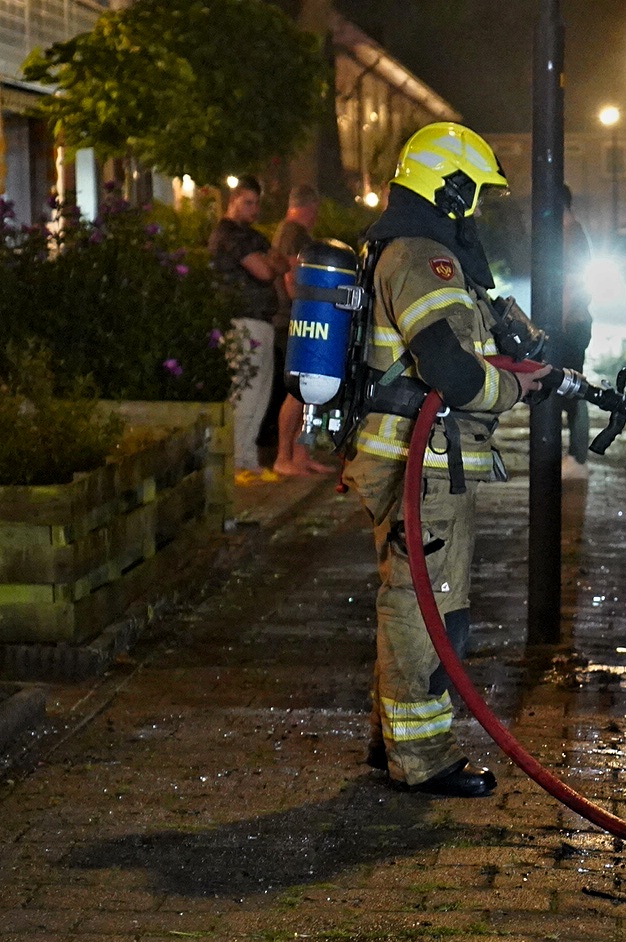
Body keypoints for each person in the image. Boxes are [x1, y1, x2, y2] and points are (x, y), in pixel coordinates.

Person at [343, 122, 555, 798]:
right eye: (475, 193)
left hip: (421, 461)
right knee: (428, 608)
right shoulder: (419, 254)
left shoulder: (411, 248)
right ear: (451, 185)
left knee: (417, 601)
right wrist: (515, 387)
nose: (478, 208)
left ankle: (393, 743)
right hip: (419, 465)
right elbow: (453, 376)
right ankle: (422, 758)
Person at [209, 176, 288, 484]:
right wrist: (271, 264)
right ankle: (236, 461)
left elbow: (277, 260)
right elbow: (267, 269)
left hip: (261, 319)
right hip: (243, 320)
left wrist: (273, 263)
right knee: (246, 392)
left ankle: (247, 459)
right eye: (248, 202)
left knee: (260, 394)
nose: (255, 209)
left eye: (257, 203)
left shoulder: (250, 235)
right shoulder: (230, 235)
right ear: (233, 200)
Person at [264, 185, 335, 476]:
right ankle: (285, 457)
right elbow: (295, 277)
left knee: (304, 391)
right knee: (298, 390)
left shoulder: (285, 231)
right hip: (295, 319)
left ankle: (299, 456)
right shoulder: (296, 233)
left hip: (290, 318)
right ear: (312, 207)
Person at [560, 186, 594, 462]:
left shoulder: (570, 237)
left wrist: (556, 324)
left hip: (570, 325)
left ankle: (578, 452)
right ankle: (577, 451)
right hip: (576, 323)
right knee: (571, 388)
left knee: (571, 390)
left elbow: (570, 284)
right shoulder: (575, 234)